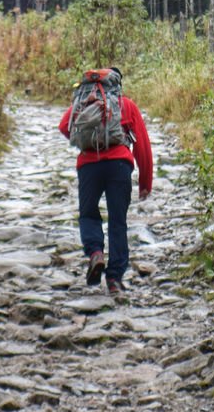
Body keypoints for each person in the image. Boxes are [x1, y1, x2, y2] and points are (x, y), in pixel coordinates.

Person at [58, 68, 153, 297]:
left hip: (88, 165)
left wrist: (87, 142)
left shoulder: (83, 102)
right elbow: (143, 147)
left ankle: (95, 254)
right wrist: (145, 183)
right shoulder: (125, 105)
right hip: (119, 165)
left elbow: (64, 126)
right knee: (118, 221)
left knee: (88, 214)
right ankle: (114, 279)